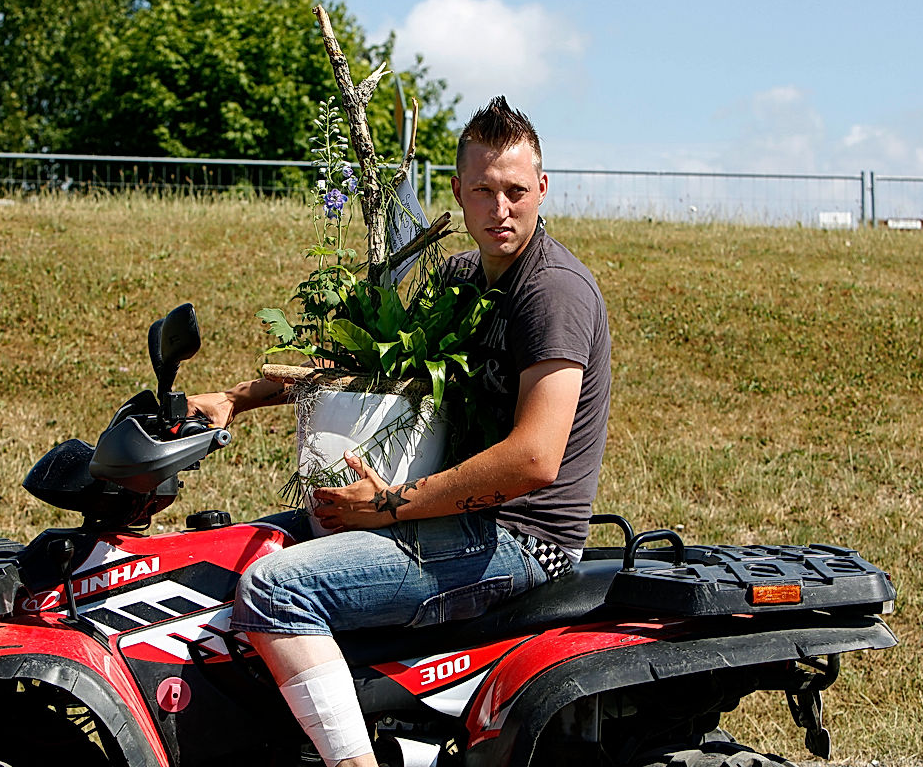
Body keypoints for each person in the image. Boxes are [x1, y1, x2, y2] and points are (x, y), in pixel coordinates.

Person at [188, 96, 611, 767]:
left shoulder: (552, 292)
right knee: (237, 548)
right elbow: (363, 366)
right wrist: (235, 399)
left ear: (543, 190)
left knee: (278, 588)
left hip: (523, 538)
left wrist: (388, 507)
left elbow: (534, 459)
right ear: (457, 194)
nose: (501, 208)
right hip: (453, 514)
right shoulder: (462, 276)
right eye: (484, 190)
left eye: (516, 191)